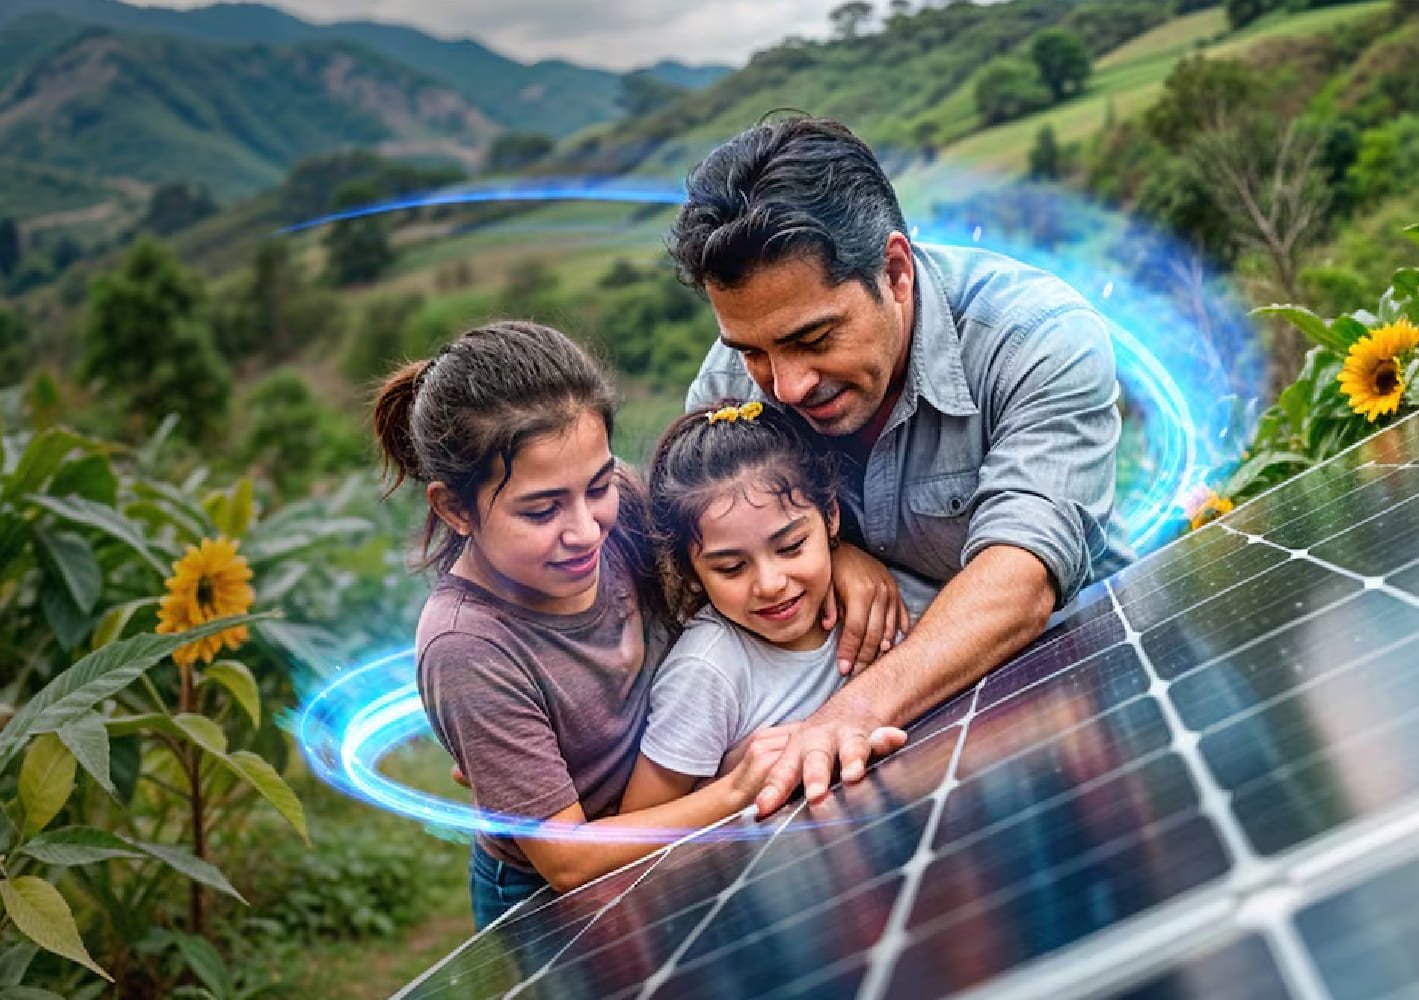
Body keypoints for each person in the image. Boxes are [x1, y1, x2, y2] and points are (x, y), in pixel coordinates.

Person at [668, 116, 1134, 816]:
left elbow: (1021, 576)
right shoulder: (730, 391)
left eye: (813, 338)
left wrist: (842, 719)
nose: (786, 385)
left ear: (894, 270)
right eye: (753, 350)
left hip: (1083, 701)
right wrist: (839, 552)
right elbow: (693, 558)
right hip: (899, 763)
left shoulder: (1035, 338)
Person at [373, 321, 796, 927]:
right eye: (541, 509)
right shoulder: (467, 647)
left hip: (671, 819)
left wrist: (849, 561)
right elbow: (567, 861)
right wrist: (734, 791)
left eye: (596, 485)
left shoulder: (617, 506)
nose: (585, 529)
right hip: (553, 897)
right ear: (454, 508)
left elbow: (732, 547)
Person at [627, 399, 906, 805]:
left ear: (831, 517)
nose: (771, 584)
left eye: (792, 547)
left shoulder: (867, 600)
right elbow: (641, 823)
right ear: (690, 572)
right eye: (732, 568)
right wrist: (734, 786)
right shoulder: (706, 674)